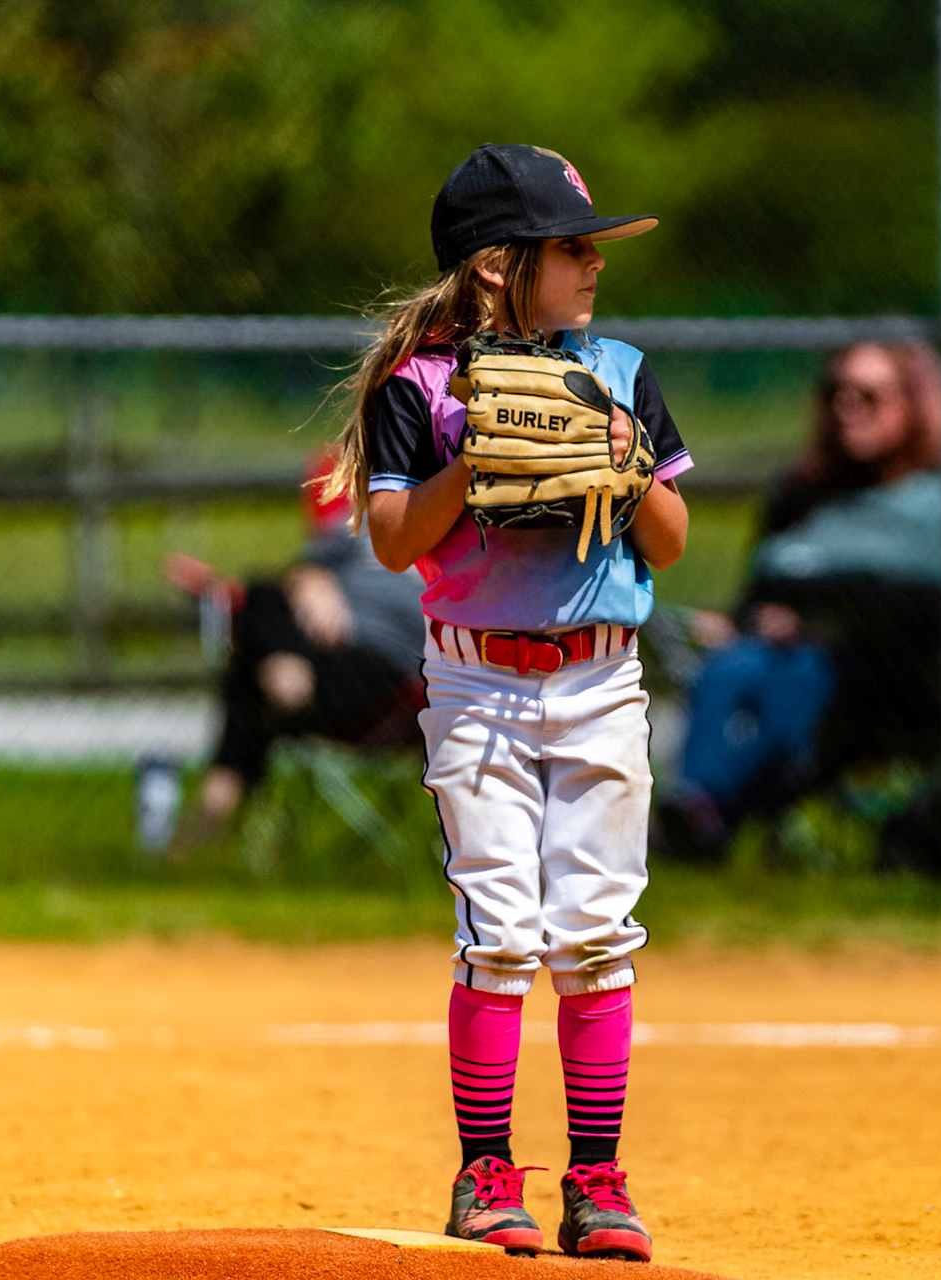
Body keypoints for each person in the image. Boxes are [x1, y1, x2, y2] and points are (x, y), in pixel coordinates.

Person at [324, 144, 689, 1260]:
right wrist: (473, 461)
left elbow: (673, 541)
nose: (594, 266)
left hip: (601, 679)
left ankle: (596, 1174)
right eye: (572, 248)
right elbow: (395, 541)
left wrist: (626, 467)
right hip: (478, 681)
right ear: (497, 265)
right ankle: (486, 1171)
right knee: (499, 929)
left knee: (596, 930)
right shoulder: (422, 385)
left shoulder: (620, 372)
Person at [661, 342, 941, 868]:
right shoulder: (805, 493)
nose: (848, 407)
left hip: (915, 681)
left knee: (794, 671)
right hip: (807, 666)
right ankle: (698, 809)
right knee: (742, 663)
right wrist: (763, 619)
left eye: (869, 396)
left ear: (913, 405)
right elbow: (760, 591)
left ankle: (710, 816)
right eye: (836, 393)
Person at [161, 455, 428, 843]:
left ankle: (212, 813)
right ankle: (285, 667)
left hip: (395, 679)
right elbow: (301, 574)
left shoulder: (450, 531)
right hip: (330, 658)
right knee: (262, 605)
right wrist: (313, 580)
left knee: (250, 667)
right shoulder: (356, 529)